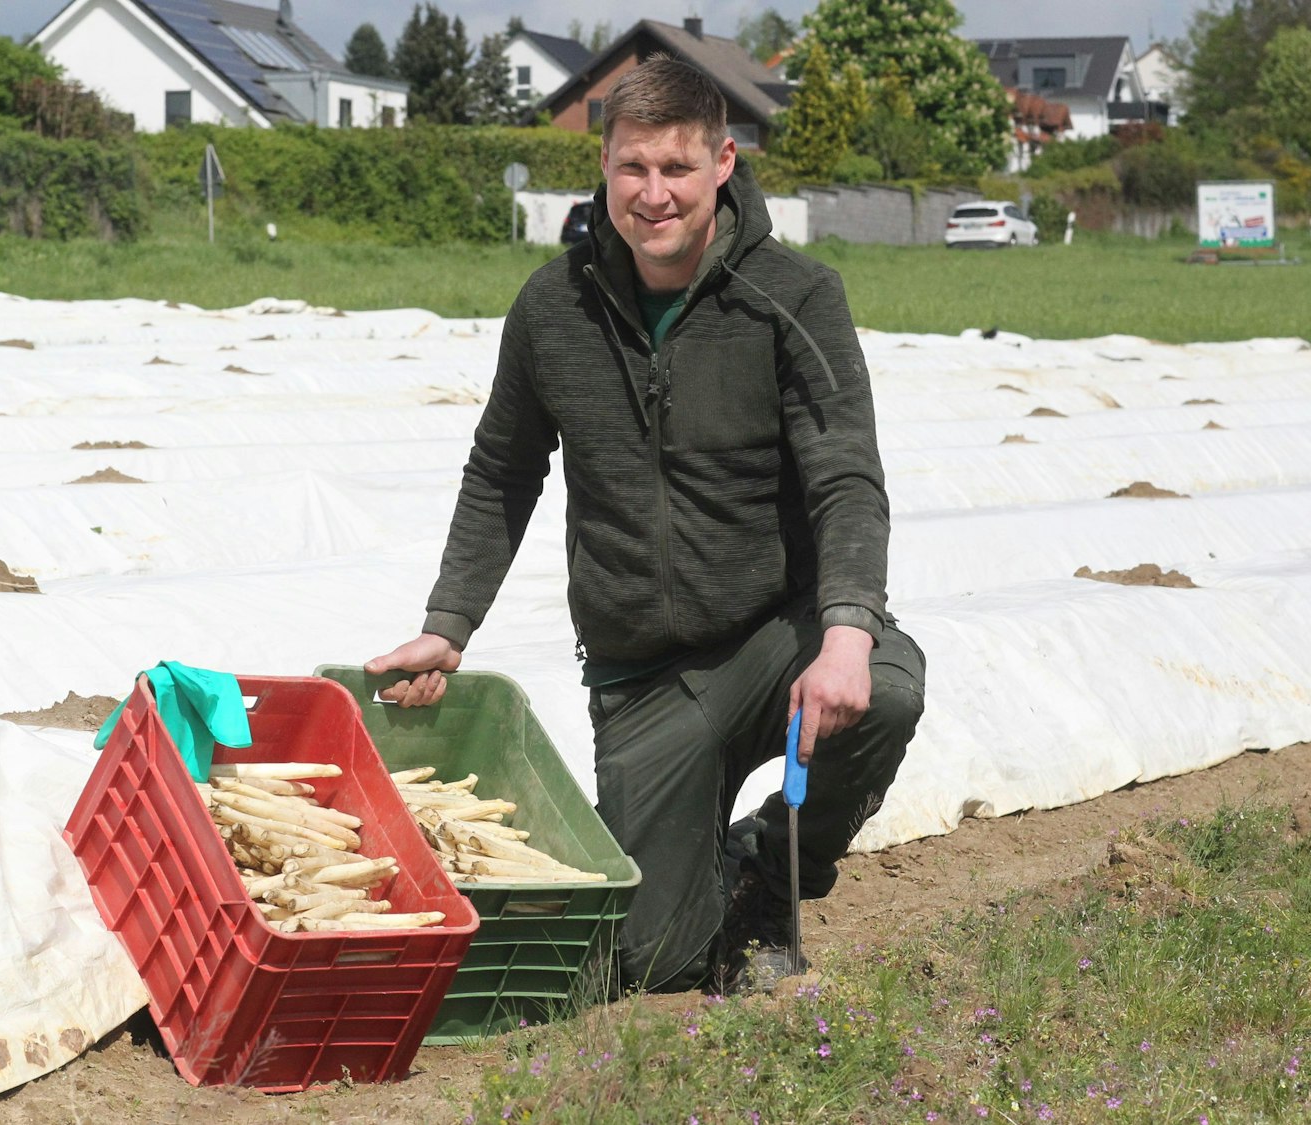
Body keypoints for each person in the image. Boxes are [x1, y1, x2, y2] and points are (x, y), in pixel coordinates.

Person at [365, 56, 926, 994]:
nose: (654, 194)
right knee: (655, 961)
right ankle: (704, 866)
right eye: (634, 168)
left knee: (889, 683)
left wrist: (844, 631)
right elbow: (503, 468)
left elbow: (845, 477)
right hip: (643, 677)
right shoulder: (553, 309)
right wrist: (448, 622)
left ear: (722, 163)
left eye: (676, 168)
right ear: (606, 167)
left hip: (768, 642)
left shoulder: (796, 298)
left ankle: (773, 876)